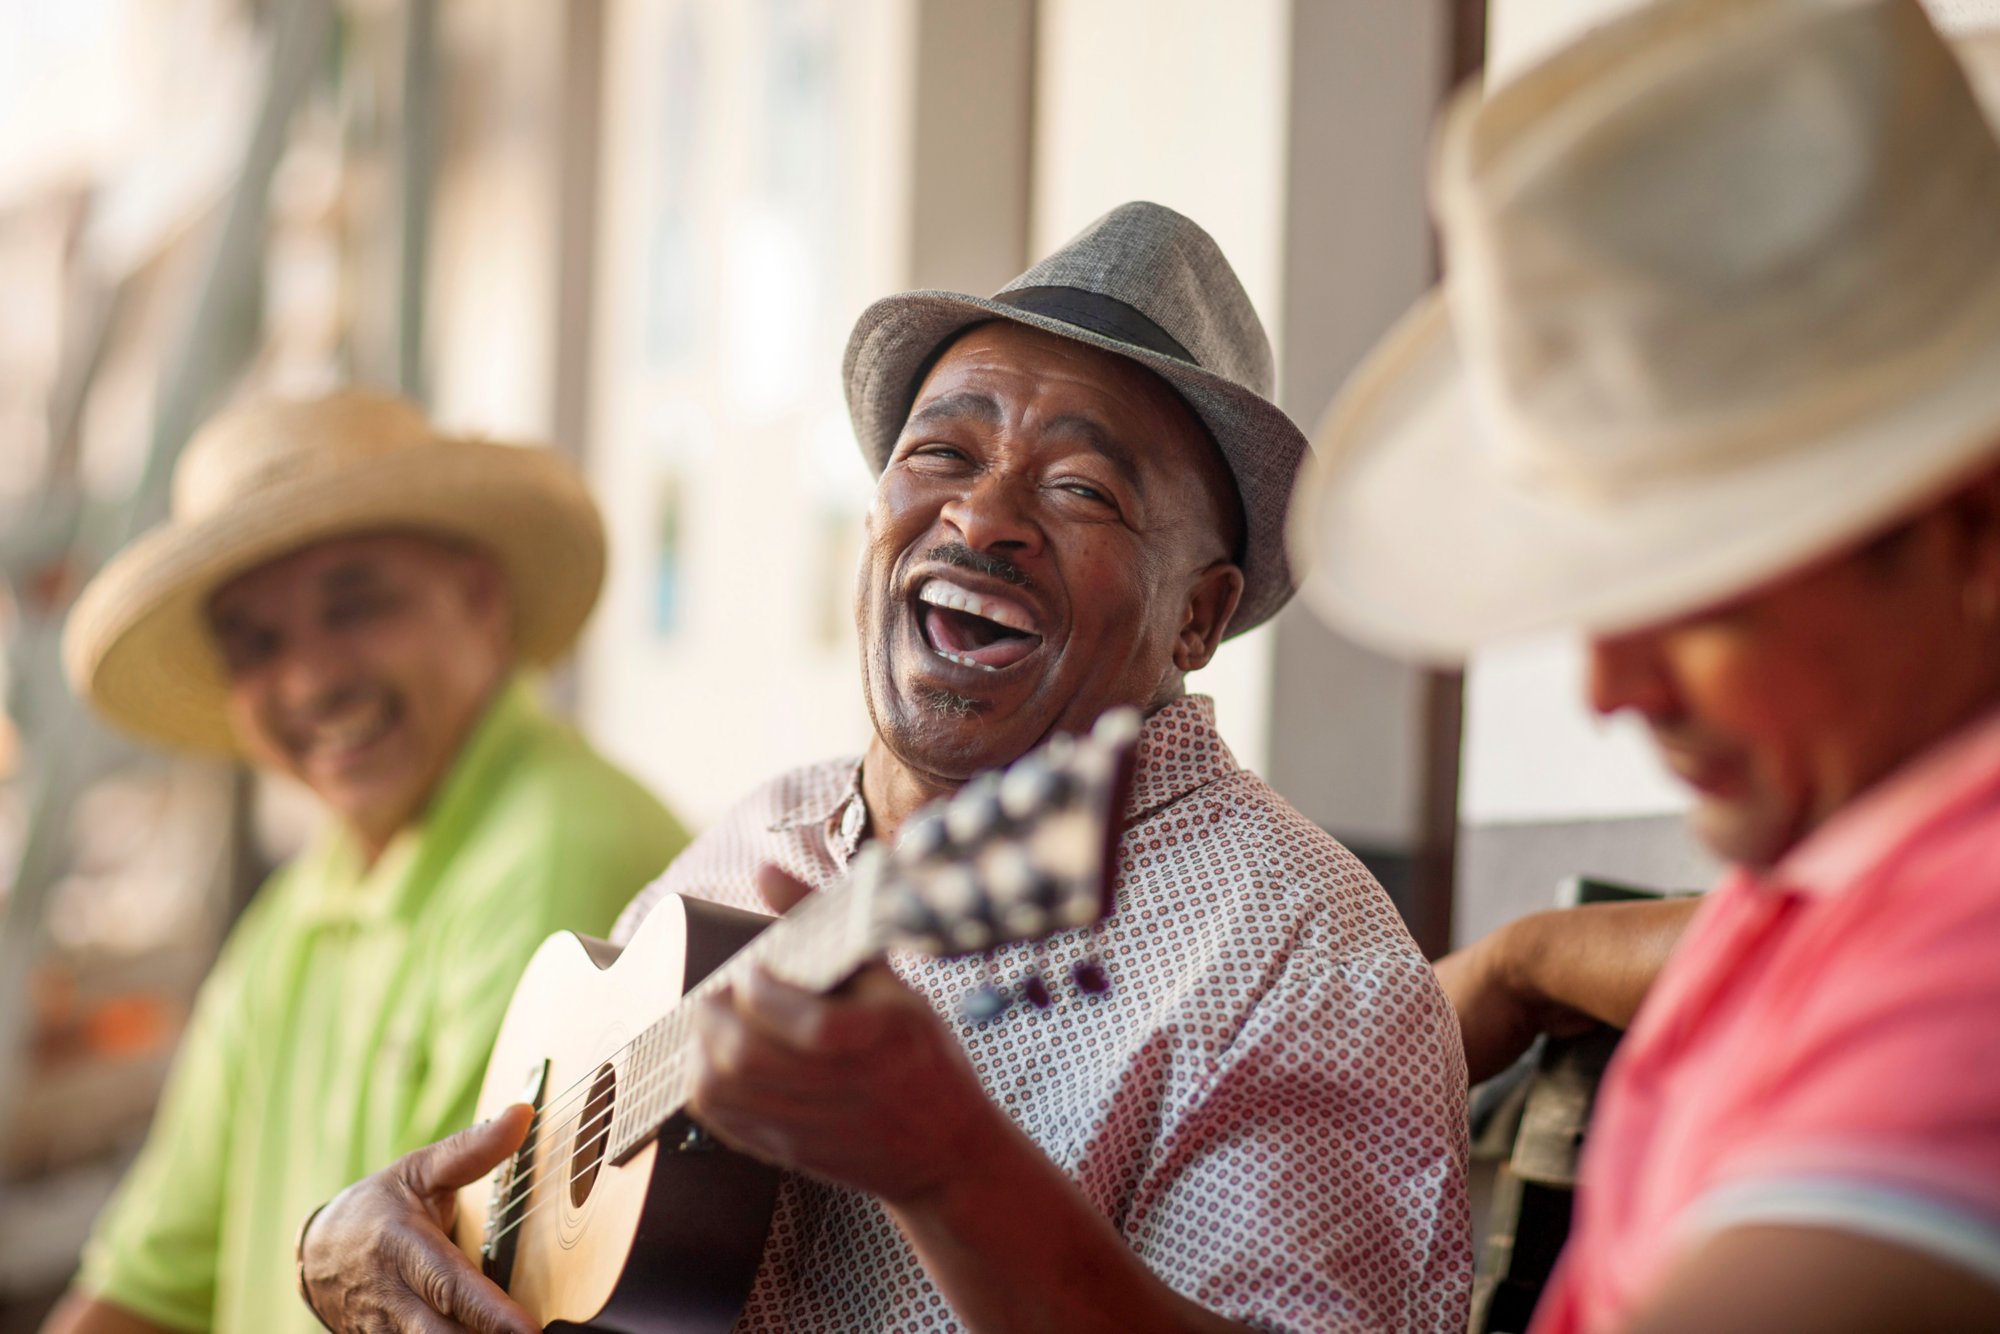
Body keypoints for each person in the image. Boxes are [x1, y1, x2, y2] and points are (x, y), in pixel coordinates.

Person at [299, 202, 1472, 1332]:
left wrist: (955, 1167)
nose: (980, 518)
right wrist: (354, 1236)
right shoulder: (760, 835)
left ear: (1197, 619)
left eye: (1079, 488)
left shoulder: (1303, 956)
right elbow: (494, 1212)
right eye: (941, 452)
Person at [1292, 2, 2000, 1330]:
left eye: (1697, 591)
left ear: (1975, 519)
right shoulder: (1852, 839)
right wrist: (1527, 957)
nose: (1609, 688)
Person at [43, 390, 689, 1334]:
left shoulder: (560, 848)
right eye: (256, 644)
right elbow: (147, 1279)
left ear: (478, 598)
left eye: (355, 604)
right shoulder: (302, 904)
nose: (309, 679)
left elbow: (434, 1283)